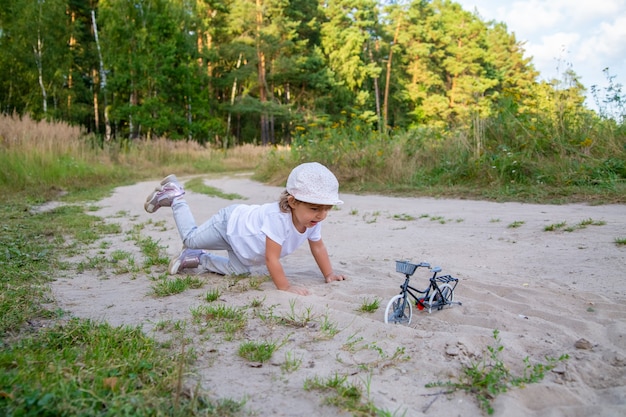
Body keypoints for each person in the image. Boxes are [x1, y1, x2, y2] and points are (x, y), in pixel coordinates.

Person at [143, 162, 346, 295]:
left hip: (242, 247)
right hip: (229, 224)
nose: (321, 215)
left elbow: (318, 247)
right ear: (293, 202)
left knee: (238, 271)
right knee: (190, 238)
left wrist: (329, 274)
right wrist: (286, 287)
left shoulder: (311, 221)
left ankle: (197, 258)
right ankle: (176, 197)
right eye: (314, 208)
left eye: (327, 209)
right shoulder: (278, 219)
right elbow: (271, 258)